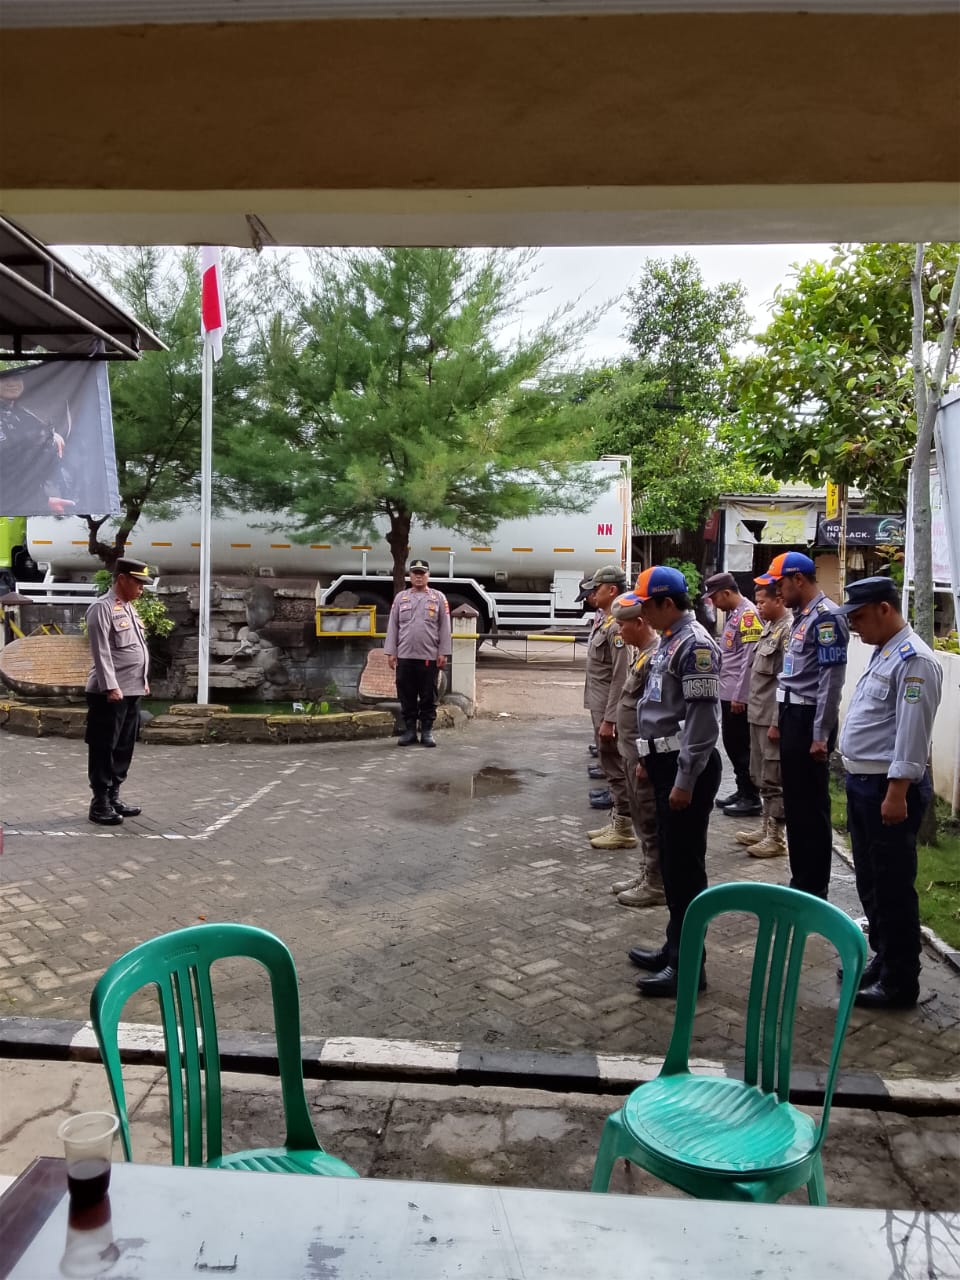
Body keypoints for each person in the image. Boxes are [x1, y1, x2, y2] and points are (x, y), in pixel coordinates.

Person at [836, 577, 942, 1009]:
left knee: (893, 886)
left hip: (888, 789)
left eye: (860, 617)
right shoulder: (885, 651)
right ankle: (884, 956)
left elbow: (912, 736)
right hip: (864, 785)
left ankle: (900, 982)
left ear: (885, 609)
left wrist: (897, 791)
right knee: (871, 880)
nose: (855, 626)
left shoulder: (914, 660)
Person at [625, 567, 722, 997]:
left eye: (646, 606)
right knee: (672, 864)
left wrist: (684, 779)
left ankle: (689, 968)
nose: (641, 615)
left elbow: (702, 722)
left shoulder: (696, 645)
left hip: (687, 770)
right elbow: (658, 706)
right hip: (665, 763)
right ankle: (674, 947)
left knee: (685, 871)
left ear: (667, 603)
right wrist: (647, 758)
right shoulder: (670, 639)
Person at [760, 551, 848, 899]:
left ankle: (814, 886)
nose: (777, 591)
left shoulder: (825, 618)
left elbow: (830, 681)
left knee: (811, 808)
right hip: (792, 716)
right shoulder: (802, 617)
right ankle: (802, 881)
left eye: (780, 584)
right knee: (796, 806)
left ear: (799, 579)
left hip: (809, 720)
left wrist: (821, 734)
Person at [594, 591, 665, 907]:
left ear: (639, 622)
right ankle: (647, 873)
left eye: (623, 625)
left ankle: (657, 882)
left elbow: (655, 714)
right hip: (631, 749)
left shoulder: (656, 656)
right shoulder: (643, 654)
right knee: (640, 815)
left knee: (649, 817)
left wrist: (645, 757)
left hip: (643, 752)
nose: (619, 631)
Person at [84, 557, 153, 826]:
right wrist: (111, 686)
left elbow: (137, 649)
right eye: (138, 582)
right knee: (104, 746)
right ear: (122, 579)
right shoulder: (101, 608)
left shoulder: (128, 608)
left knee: (124, 746)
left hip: (131, 690)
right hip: (109, 693)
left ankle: (113, 796)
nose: (142, 588)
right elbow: (101, 651)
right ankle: (99, 802)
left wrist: (142, 680)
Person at [735, 577, 791, 859]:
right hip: (757, 714)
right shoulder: (769, 628)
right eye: (757, 602)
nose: (758, 607)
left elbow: (787, 681)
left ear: (779, 600)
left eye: (762, 602)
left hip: (771, 717)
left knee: (773, 777)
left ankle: (776, 837)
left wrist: (777, 722)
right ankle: (765, 826)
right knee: (759, 773)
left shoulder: (787, 631)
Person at [582, 564, 635, 848]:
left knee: (616, 767)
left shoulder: (617, 625)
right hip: (600, 705)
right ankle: (618, 820)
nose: (593, 593)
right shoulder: (606, 621)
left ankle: (623, 828)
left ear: (612, 590)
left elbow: (621, 674)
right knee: (609, 764)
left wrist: (611, 719)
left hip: (609, 710)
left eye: (597, 588)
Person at [703, 571, 762, 817]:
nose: (714, 603)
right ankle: (742, 789)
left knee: (741, 747)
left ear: (726, 593)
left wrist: (740, 695)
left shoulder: (748, 616)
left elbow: (749, 659)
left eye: (715, 598)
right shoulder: (734, 614)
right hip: (728, 693)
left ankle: (751, 796)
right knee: (732, 744)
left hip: (738, 696)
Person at [384, 558, 451, 747]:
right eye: (415, 573)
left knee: (428, 696)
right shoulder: (401, 598)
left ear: (428, 575)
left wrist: (443, 652)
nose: (419, 577)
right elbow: (393, 626)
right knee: (407, 695)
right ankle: (410, 731)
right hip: (405, 656)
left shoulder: (438, 598)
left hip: (429, 657)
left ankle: (427, 731)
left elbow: (445, 627)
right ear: (410, 575)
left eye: (422, 573)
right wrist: (391, 652)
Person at [0, 375, 75, 516]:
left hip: (23, 506)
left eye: (16, 378)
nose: (11, 383)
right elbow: (9, 461)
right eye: (4, 378)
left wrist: (49, 436)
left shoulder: (23, 414)